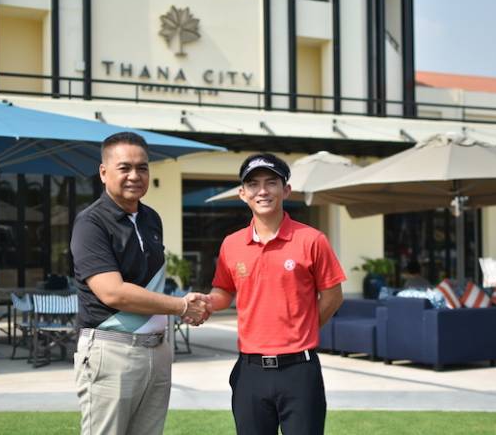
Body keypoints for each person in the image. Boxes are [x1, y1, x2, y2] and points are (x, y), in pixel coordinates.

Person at [70, 132, 211, 435]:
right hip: (111, 350)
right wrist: (181, 306)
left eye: (142, 168)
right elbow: (113, 292)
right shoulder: (90, 223)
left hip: (156, 351)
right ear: (103, 172)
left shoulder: (151, 219)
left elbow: (149, 285)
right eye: (124, 168)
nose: (135, 175)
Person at [208, 153, 346, 435]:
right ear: (242, 193)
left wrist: (304, 328)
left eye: (271, 183)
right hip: (250, 370)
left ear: (286, 190)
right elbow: (223, 291)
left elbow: (333, 297)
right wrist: (205, 303)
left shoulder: (312, 240)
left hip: (299, 370)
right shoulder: (231, 244)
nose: (262, 191)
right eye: (253, 184)